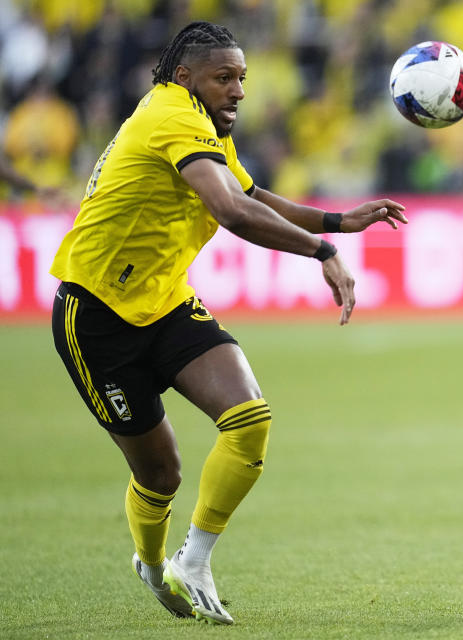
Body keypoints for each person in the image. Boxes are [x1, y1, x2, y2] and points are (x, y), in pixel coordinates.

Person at [49, 21, 407, 625]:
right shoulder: (171, 115)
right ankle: (150, 557)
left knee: (249, 419)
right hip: (96, 316)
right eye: (224, 78)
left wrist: (338, 222)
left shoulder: (197, 120)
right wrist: (322, 253)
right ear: (183, 77)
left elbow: (252, 193)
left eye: (242, 77)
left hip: (163, 302)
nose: (239, 90)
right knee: (160, 472)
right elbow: (232, 211)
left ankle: (193, 560)